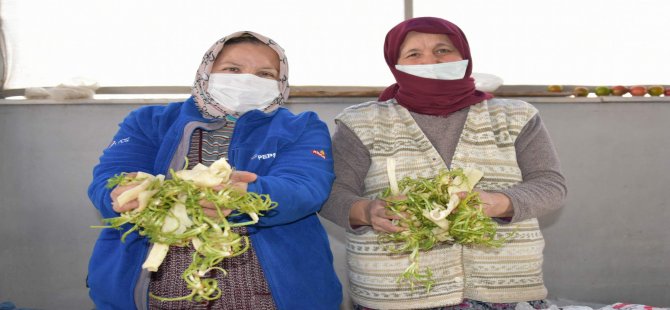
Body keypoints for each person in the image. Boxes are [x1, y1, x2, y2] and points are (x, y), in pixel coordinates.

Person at [319, 17, 567, 310]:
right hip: (396, 292)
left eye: (442, 50)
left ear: (464, 56)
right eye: (414, 54)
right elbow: (332, 194)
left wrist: (500, 203)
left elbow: (551, 185)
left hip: (504, 289)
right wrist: (369, 211)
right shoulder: (362, 122)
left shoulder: (515, 116)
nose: (430, 61)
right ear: (394, 64)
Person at [87, 31, 342, 310]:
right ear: (207, 71)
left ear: (281, 83)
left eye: (265, 74)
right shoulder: (149, 121)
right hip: (157, 292)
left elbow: (305, 187)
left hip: (265, 294)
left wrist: (244, 197)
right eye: (233, 69)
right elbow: (109, 177)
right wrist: (123, 194)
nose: (247, 80)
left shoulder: (301, 127)